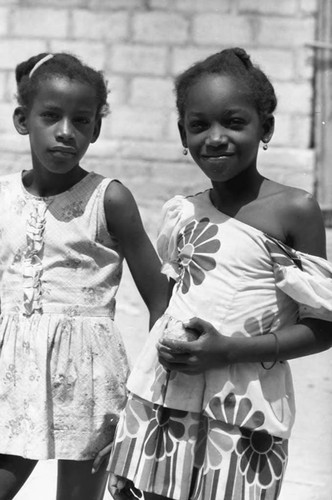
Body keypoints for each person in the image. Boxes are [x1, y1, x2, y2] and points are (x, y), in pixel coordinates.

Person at [107, 47, 332, 500]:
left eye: (233, 123)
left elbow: (324, 327)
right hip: (163, 401)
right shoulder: (182, 212)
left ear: (265, 127)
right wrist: (133, 408)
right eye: (199, 125)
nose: (215, 138)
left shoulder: (295, 211)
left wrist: (229, 350)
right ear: (182, 134)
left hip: (245, 410)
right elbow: (167, 311)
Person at [0, 52, 168, 500]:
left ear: (95, 129)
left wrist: (147, 396)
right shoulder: (2, 196)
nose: (65, 132)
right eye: (51, 117)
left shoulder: (108, 199)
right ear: (22, 119)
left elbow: (160, 301)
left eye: (81, 120)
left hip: (89, 380)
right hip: (12, 375)